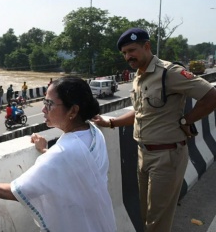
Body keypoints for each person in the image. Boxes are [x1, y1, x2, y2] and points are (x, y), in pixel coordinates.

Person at [92, 28, 216, 232]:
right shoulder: (139, 77)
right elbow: (141, 113)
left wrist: (186, 120)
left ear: (147, 46)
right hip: (144, 154)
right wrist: (111, 123)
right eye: (124, 53)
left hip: (167, 155)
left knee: (157, 220)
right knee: (146, 214)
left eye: (132, 50)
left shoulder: (170, 73)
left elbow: (211, 96)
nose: (127, 56)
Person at [0, 76, 116, 231]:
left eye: (49, 104)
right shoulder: (94, 134)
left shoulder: (62, 154)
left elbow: (16, 191)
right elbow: (75, 165)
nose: (43, 109)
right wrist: (45, 150)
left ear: (72, 111)